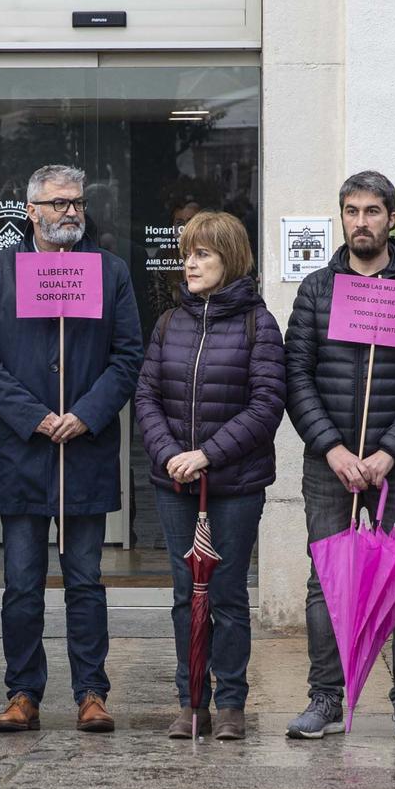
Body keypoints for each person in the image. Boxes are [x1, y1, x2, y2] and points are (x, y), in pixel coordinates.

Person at [0, 163, 143, 734]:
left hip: (83, 450)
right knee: (20, 582)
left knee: (85, 580)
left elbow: (128, 356)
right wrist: (33, 416)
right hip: (22, 451)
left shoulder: (109, 272)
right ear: (32, 210)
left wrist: (85, 414)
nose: (70, 212)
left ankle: (91, 691)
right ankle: (23, 691)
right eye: (59, 203)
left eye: (78, 203)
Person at [282, 171, 395, 743]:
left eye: (372, 211)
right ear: (341, 218)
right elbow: (295, 376)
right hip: (328, 463)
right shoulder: (316, 290)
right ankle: (325, 697)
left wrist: (387, 453)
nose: (361, 222)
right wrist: (330, 448)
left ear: (391, 219)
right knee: (325, 582)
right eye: (351, 211)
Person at [134, 211, 283, 742]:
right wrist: (172, 453)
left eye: (203, 254)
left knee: (225, 593)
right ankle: (191, 701)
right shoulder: (170, 321)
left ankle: (233, 705)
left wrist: (206, 456)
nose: (190, 263)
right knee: (183, 593)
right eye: (188, 253)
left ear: (230, 259)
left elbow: (266, 406)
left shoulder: (257, 324)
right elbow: (146, 395)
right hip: (173, 483)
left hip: (235, 486)